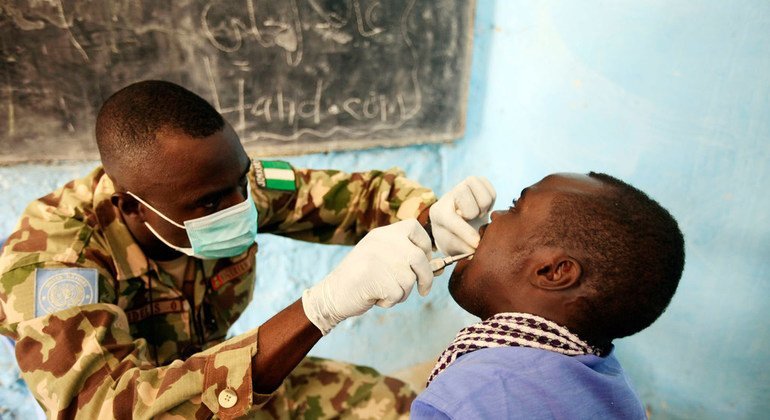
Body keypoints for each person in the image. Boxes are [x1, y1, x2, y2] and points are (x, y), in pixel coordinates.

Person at [0, 80, 496, 419]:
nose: (241, 207)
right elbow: (102, 408)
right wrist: (320, 309)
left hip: (220, 379)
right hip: (148, 407)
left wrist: (433, 215)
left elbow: (361, 199)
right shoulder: (55, 262)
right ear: (131, 206)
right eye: (213, 201)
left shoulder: (227, 185)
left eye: (241, 182)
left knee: (390, 405)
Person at [411, 172, 685, 419]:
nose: (494, 216)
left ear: (553, 272)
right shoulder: (616, 387)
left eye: (516, 208)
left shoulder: (462, 400)